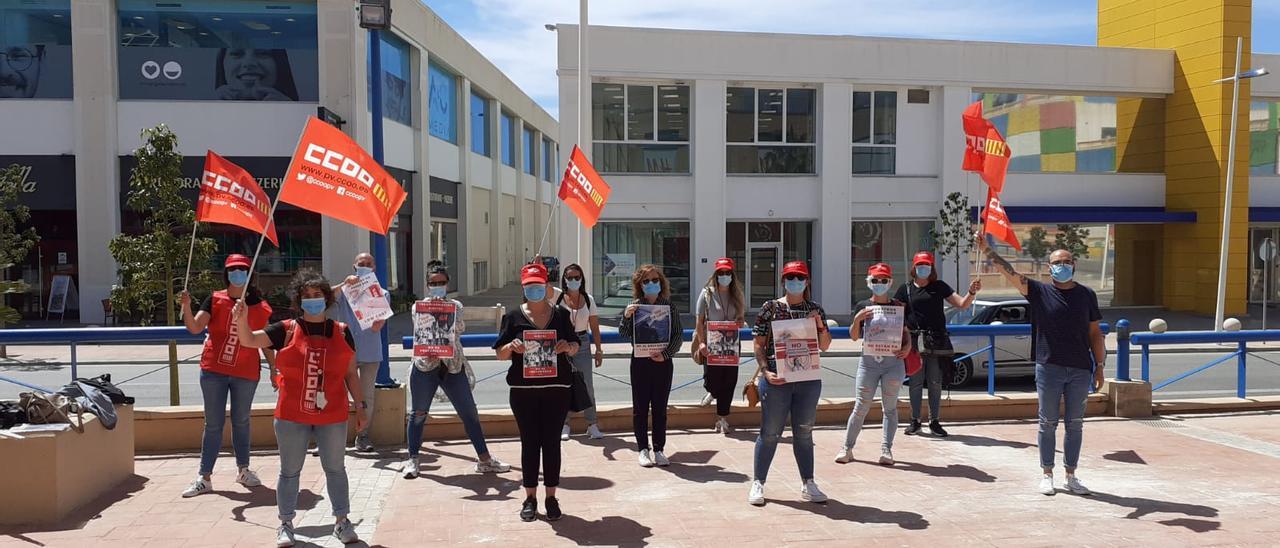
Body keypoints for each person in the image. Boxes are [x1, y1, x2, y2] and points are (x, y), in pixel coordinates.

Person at [233, 270, 366, 546]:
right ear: (298, 300)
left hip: (333, 414)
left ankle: (342, 521)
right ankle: (285, 523)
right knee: (290, 471)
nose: (312, 300)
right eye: (307, 296)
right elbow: (249, 340)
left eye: (317, 295)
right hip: (292, 415)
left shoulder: (342, 332)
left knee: (336, 469)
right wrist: (241, 318)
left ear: (327, 298)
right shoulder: (285, 330)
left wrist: (361, 407)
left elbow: (351, 374)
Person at [978, 234, 1105, 497]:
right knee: (1047, 422)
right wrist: (988, 251)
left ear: (1074, 264)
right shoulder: (1040, 291)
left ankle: (1071, 475)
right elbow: (1011, 273)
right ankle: (1047, 473)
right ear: (1049, 267)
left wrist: (1100, 365)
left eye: (1067, 261)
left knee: (1075, 424)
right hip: (1049, 367)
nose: (1062, 265)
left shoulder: (1086, 295)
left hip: (1080, 368)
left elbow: (1095, 333)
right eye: (1057, 262)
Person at [178, 254, 275, 498]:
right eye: (233, 269)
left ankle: (243, 469)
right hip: (214, 371)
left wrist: (275, 368)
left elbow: (265, 342)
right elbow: (195, 327)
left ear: (249, 273)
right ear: (226, 273)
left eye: (242, 269)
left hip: (245, 372)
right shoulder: (215, 299)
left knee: (242, 421)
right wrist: (186, 305)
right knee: (213, 424)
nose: (238, 273)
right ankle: (205, 476)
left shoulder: (260, 306)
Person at [402, 262, 511, 479]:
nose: (437, 286)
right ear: (427, 285)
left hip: (452, 366)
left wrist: (443, 309)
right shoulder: (418, 307)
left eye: (441, 282)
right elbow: (421, 329)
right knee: (418, 413)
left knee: (469, 412)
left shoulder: (456, 306)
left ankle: (485, 459)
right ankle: (413, 459)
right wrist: (431, 309)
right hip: (425, 365)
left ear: (447, 283)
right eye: (433, 283)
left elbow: (458, 328)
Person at [494, 263, 577, 522]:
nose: (535, 290)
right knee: (530, 443)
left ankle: (551, 496)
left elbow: (576, 344)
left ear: (547, 287)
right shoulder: (513, 316)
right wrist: (511, 346)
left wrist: (567, 346)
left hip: (556, 389)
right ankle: (529, 497)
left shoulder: (562, 315)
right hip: (523, 391)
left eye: (539, 286)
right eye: (530, 287)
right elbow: (499, 353)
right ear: (523, 288)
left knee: (551, 443)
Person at [749, 260, 833, 506]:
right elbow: (758, 344)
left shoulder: (815, 309)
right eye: (790, 277)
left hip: (807, 379)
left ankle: (808, 482)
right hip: (777, 378)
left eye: (799, 277)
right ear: (783, 280)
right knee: (770, 432)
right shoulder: (771, 308)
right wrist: (765, 371)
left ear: (807, 282)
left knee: (804, 432)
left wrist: (818, 323)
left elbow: (825, 345)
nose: (794, 281)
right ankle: (758, 482)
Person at [894, 251, 981, 437]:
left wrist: (972, 292)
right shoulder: (905, 289)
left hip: (937, 340)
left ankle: (934, 421)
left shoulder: (939, 287)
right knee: (916, 383)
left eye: (926, 265)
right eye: (919, 265)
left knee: (935, 382)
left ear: (932, 267)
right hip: (915, 342)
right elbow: (896, 316)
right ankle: (915, 421)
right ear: (914, 267)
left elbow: (962, 304)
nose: (922, 268)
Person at [837, 263, 912, 465]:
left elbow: (906, 333)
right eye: (876, 280)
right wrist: (857, 320)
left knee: (890, 408)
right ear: (869, 282)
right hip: (868, 363)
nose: (880, 284)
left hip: (893, 363)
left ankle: (886, 450)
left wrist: (907, 348)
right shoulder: (862, 306)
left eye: (884, 280)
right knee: (861, 406)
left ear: (890, 282)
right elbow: (853, 336)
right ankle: (847, 448)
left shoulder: (899, 306)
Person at [618, 265, 683, 468]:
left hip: (662, 363)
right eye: (646, 281)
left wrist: (665, 355)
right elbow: (624, 333)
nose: (651, 284)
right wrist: (626, 317)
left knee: (660, 408)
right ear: (640, 285)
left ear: (661, 282)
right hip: (640, 363)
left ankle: (659, 449)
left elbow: (678, 336)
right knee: (640, 408)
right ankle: (643, 449)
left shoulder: (669, 307)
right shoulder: (635, 307)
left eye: (655, 280)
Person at [331, 253, 388, 452]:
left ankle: (362, 436)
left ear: (374, 267)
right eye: (361, 264)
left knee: (366, 397)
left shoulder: (381, 292)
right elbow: (325, 297)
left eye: (368, 264)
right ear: (354, 266)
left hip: (370, 352)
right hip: (345, 351)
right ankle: (331, 438)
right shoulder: (345, 290)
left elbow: (378, 325)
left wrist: (378, 321)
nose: (364, 266)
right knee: (337, 395)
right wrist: (344, 283)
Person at [694, 257, 746, 434]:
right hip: (712, 342)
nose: (724, 276)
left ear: (732, 275)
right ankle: (712, 392)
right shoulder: (707, 293)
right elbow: (699, 321)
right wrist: (701, 343)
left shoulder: (737, 293)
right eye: (721, 273)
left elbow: (741, 318)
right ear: (716, 275)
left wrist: (740, 322)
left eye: (728, 273)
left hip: (731, 344)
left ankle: (722, 419)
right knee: (712, 379)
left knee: (730, 380)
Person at [555, 263, 605, 440]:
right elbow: (542, 286)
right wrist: (538, 264)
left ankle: (592, 424)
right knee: (564, 385)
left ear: (582, 279)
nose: (574, 280)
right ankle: (564, 424)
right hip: (562, 343)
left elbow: (595, 326)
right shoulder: (558, 297)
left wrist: (599, 350)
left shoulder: (588, 299)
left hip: (583, 342)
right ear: (564, 279)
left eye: (577, 277)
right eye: (570, 278)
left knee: (587, 385)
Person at [214, 45, 298, 101]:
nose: (249, 63)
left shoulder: (300, 113)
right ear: (222, 63)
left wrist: (290, 109)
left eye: (262, 53)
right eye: (236, 54)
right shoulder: (205, 110)